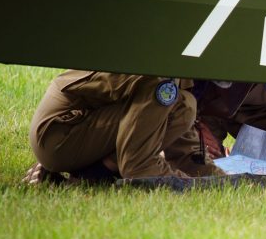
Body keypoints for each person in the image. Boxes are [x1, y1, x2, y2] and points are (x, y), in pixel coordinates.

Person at [24, 71, 223, 184]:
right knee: (171, 95)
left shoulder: (170, 64)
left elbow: (183, 147)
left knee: (183, 105)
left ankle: (87, 175)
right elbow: (139, 167)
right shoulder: (162, 72)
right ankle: (91, 174)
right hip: (60, 131)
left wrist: (218, 179)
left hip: (66, 130)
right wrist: (187, 184)